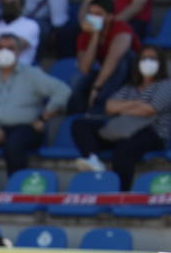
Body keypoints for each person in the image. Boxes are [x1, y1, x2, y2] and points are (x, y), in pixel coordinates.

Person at [0, 33, 69, 176]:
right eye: (0, 48)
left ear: (18, 52)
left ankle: (15, 189)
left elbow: (63, 91)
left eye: (10, 48)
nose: (5, 52)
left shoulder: (32, 74)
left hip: (26, 127)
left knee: (14, 145)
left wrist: (44, 117)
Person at [72, 46, 171, 190]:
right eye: (144, 58)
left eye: (153, 59)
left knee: (125, 149)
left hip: (153, 132)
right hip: (122, 128)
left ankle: (121, 194)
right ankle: (93, 160)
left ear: (161, 62)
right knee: (80, 124)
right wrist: (136, 103)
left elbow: (148, 110)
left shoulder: (166, 85)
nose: (147, 62)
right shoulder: (130, 87)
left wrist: (124, 107)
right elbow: (109, 106)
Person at [67, 0, 139, 117]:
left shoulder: (122, 28)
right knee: (78, 79)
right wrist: (95, 36)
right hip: (106, 73)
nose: (93, 18)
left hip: (131, 75)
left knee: (124, 59)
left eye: (98, 14)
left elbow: (113, 61)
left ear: (110, 17)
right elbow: (84, 68)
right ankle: (74, 117)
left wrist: (96, 88)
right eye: (90, 14)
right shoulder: (85, 35)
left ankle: (99, 108)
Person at [56, 0, 151, 54]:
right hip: (100, 20)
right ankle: (69, 67)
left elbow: (138, 4)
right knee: (65, 35)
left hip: (129, 21)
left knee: (117, 39)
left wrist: (112, 22)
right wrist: (83, 22)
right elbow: (87, 2)